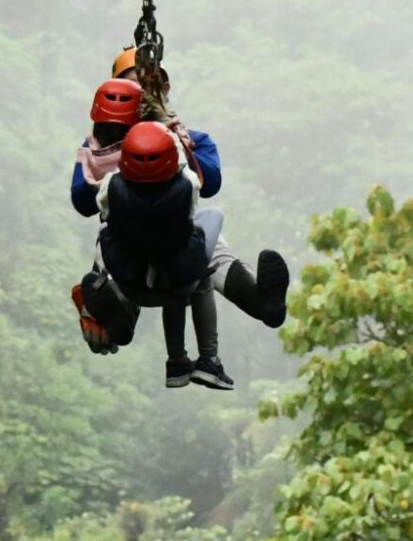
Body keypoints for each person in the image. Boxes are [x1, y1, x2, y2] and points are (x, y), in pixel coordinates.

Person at [69, 67, 286, 389]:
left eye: (145, 85)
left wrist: (166, 148)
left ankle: (259, 300)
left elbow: (210, 180)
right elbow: (82, 199)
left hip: (143, 249)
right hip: (150, 251)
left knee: (206, 247)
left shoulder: (183, 139)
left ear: (163, 88)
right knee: (199, 242)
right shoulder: (103, 148)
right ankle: (119, 318)